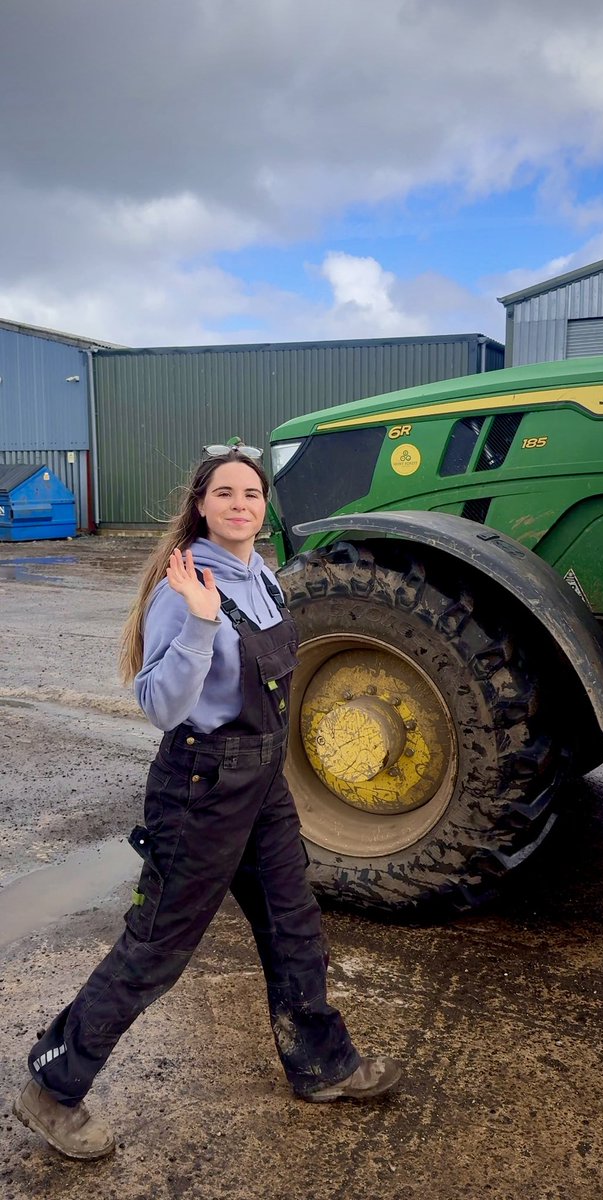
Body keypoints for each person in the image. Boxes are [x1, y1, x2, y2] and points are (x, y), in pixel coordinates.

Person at [13, 449, 402, 1161]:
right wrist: (198, 623)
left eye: (251, 492)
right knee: (158, 947)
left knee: (293, 923)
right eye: (224, 493)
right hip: (202, 786)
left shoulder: (263, 576)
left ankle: (322, 1063)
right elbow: (161, 706)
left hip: (263, 781)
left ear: (263, 506)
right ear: (200, 505)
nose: (239, 504)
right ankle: (52, 1088)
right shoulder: (183, 587)